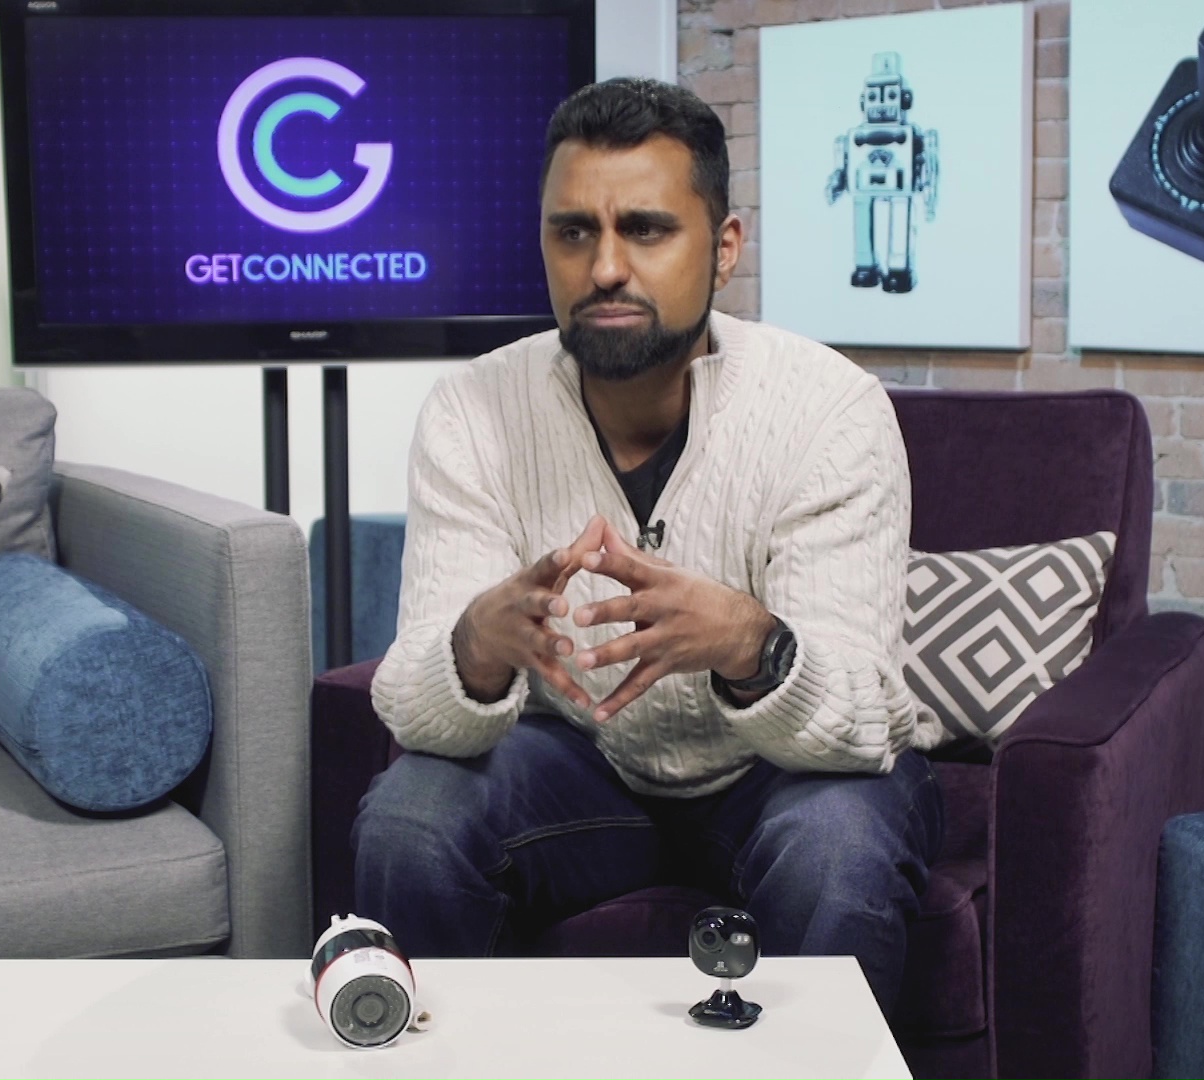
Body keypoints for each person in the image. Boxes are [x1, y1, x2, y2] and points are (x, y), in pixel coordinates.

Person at [355, 77, 944, 1013]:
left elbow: (864, 720)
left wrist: (749, 643)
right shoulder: (472, 410)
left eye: (647, 230)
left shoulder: (829, 409)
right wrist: (475, 647)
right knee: (410, 821)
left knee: (837, 851)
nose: (605, 268)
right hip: (579, 765)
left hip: (787, 777)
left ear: (725, 248)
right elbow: (413, 717)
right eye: (573, 233)